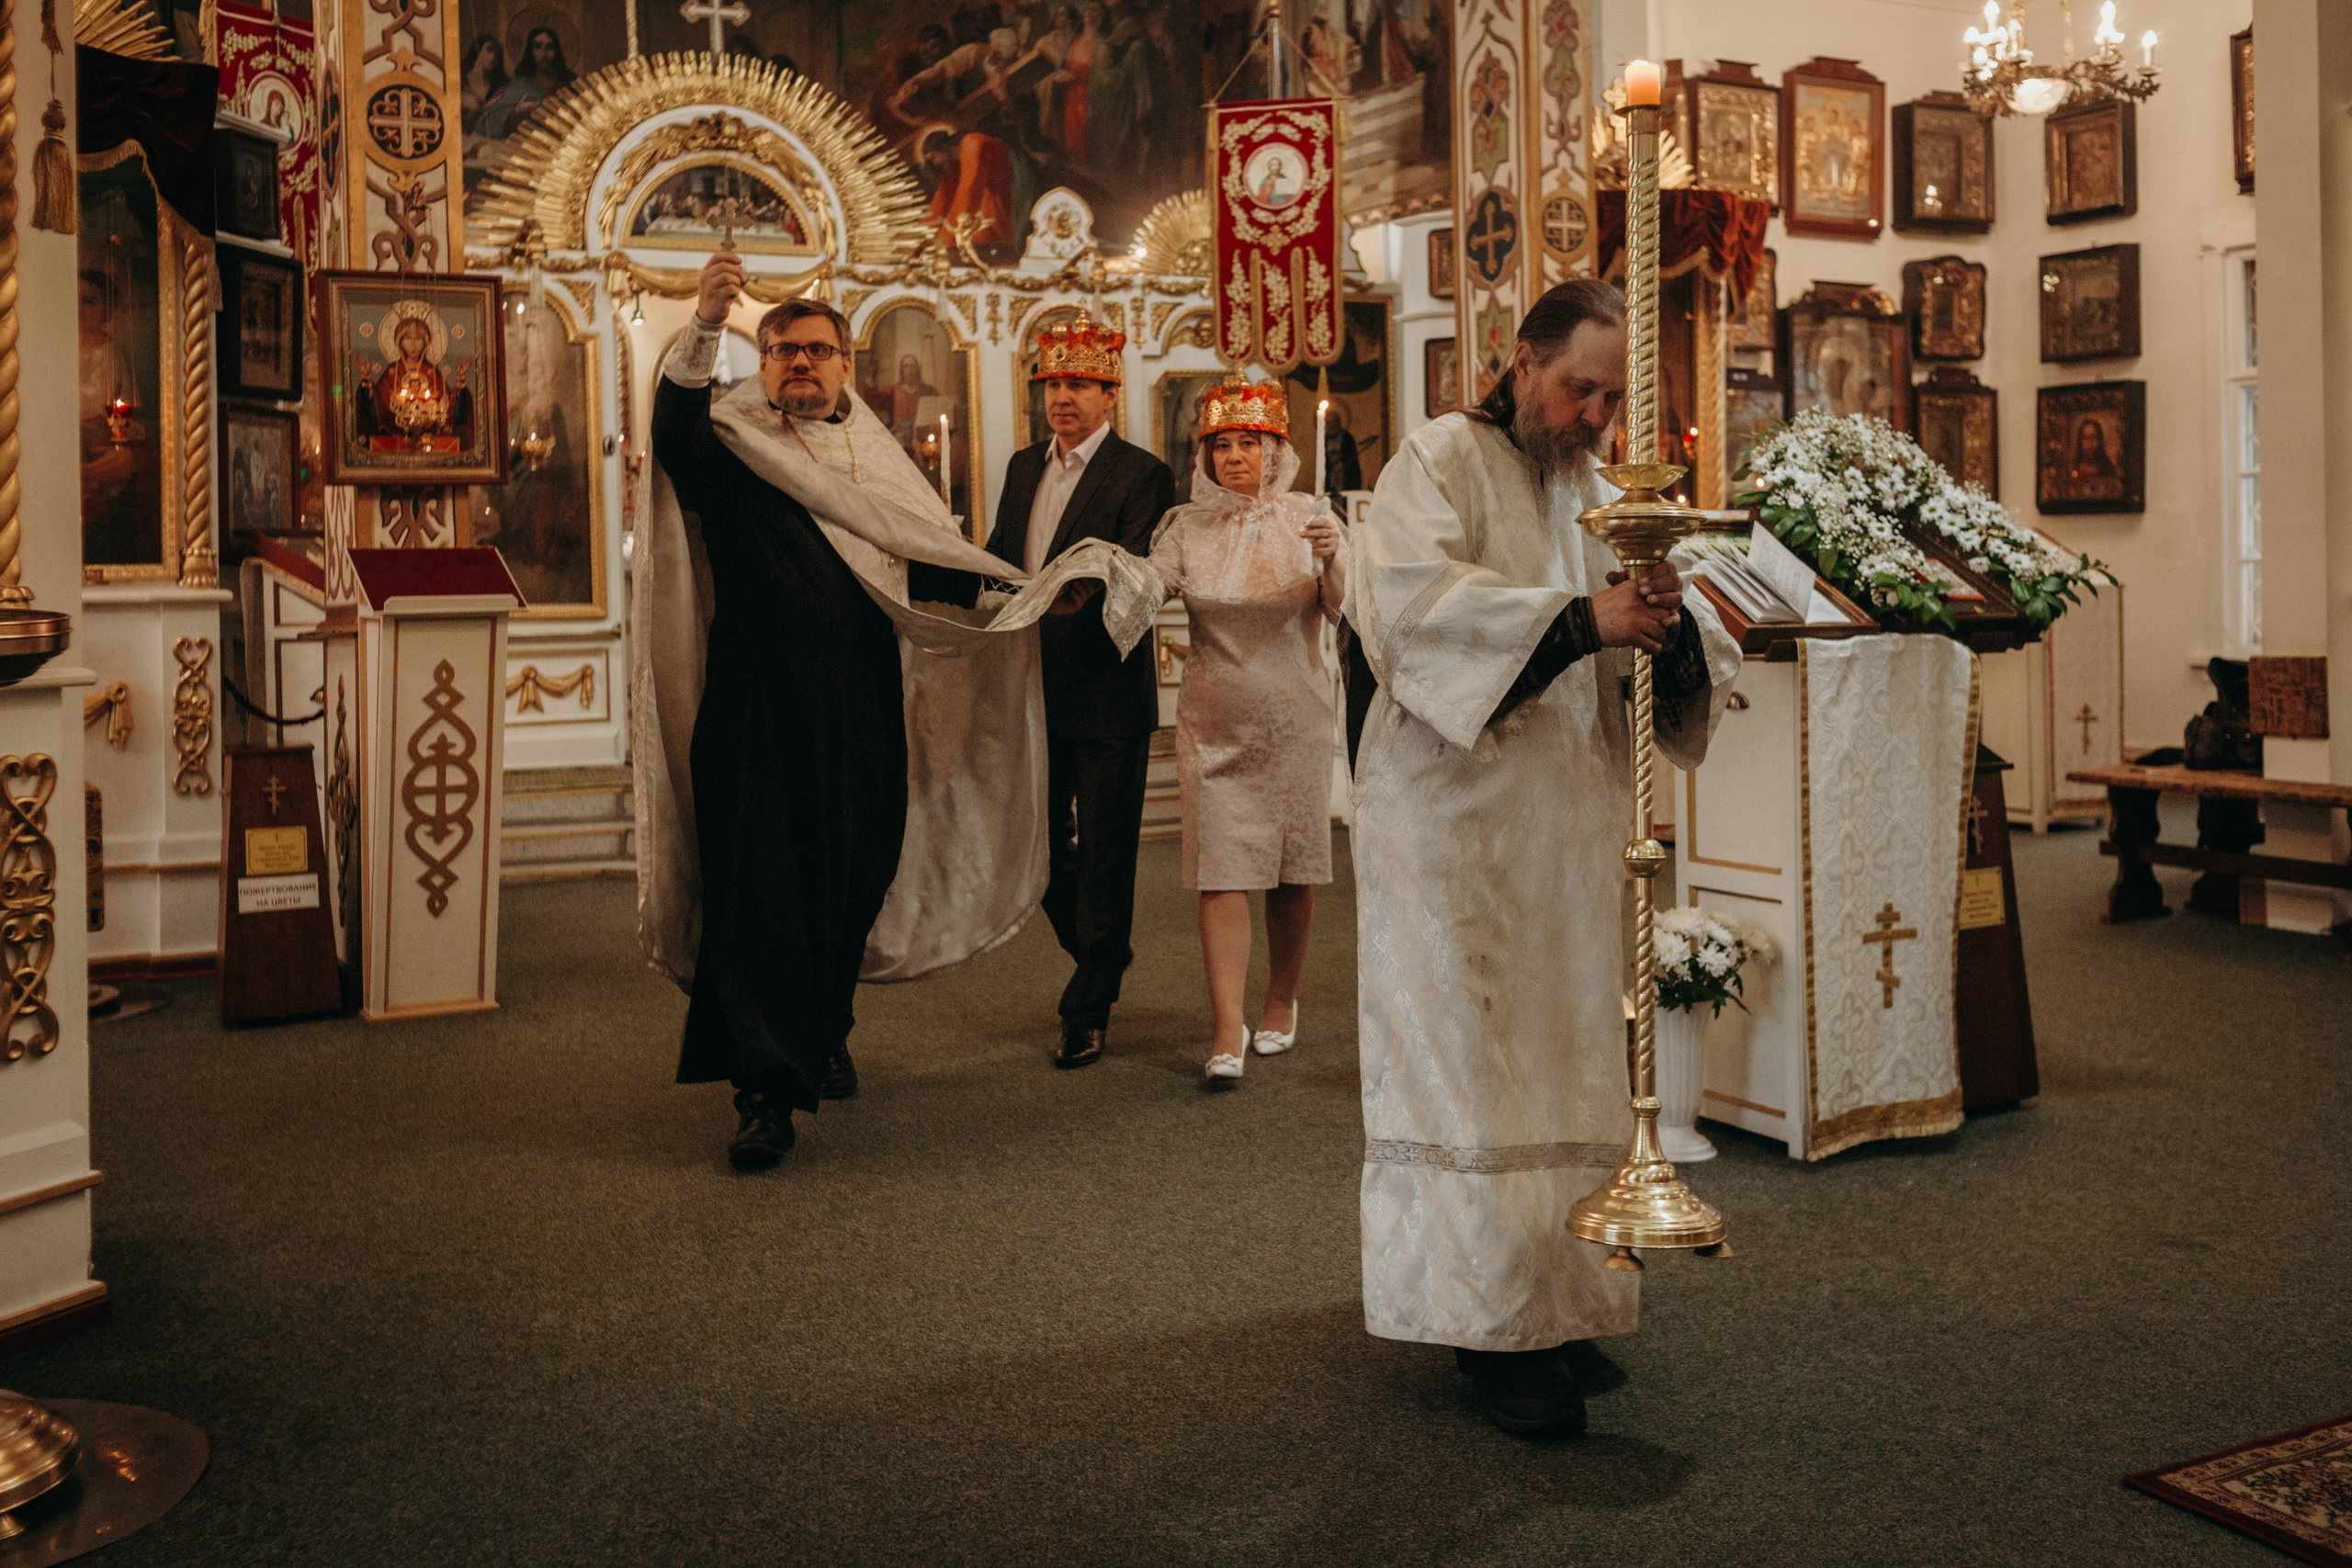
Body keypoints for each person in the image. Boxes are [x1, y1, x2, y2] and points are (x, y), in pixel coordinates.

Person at [1344, 279, 1739, 1439]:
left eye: (1613, 401)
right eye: (1578, 389)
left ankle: (1561, 1304)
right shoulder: (1437, 463)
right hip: (1453, 833)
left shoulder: (1605, 494)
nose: (1593, 419)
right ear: (1519, 361)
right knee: (1470, 1078)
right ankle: (1487, 1332)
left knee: (1566, 1066)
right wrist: (1585, 621)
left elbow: (1666, 666)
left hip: (1568, 840)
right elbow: (1410, 624)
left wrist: (1667, 632)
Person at [644, 253, 1037, 1168]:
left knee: (857, 868)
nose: (801, 365)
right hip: (755, 704)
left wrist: (1021, 595)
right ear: (764, 360)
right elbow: (674, 436)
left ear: (846, 363)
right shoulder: (735, 446)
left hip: (862, 696)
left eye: (818, 351)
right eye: (783, 351)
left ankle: (824, 1025)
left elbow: (927, 555)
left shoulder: (877, 458)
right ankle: (765, 1092)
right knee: (764, 890)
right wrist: (704, 325)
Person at [925, 318, 1175, 1068]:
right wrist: (937, 555)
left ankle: (1087, 1005)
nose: (1061, 398)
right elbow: (1006, 562)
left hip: (1104, 688)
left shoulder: (1142, 473)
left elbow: (1133, 572)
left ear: (1109, 393)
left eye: (1078, 385)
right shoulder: (1023, 465)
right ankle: (1103, 948)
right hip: (1030, 685)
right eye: (1052, 385)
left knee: (1104, 852)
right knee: (1034, 842)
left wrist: (1083, 594)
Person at [1142, 377, 1345, 1083]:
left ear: (1275, 451)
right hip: (1215, 724)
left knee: (1292, 870)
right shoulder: (1185, 527)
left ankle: (1281, 999)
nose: (1233, 457)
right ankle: (1226, 1026)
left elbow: (1343, 608)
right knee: (1221, 872)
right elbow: (1149, 586)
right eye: (1220, 445)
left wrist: (1334, 557)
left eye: (1247, 444)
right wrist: (1102, 576)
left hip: (1296, 718)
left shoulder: (1309, 518)